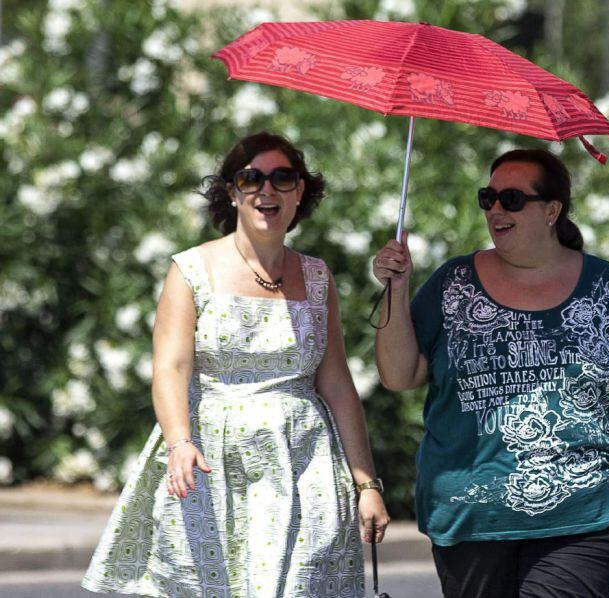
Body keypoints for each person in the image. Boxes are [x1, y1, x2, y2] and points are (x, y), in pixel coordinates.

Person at [83, 131, 389, 597]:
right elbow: (170, 367)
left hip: (304, 460)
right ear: (232, 191)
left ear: (300, 191)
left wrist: (366, 483)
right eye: (251, 179)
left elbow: (337, 382)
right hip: (210, 457)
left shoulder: (316, 275)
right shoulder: (191, 269)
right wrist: (179, 441)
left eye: (282, 178)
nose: (267, 191)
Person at [372, 148, 609, 598]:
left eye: (513, 199)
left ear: (552, 210)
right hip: (470, 515)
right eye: (489, 198)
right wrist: (396, 292)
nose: (497, 209)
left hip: (586, 510)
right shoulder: (453, 282)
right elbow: (399, 375)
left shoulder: (608, 285)